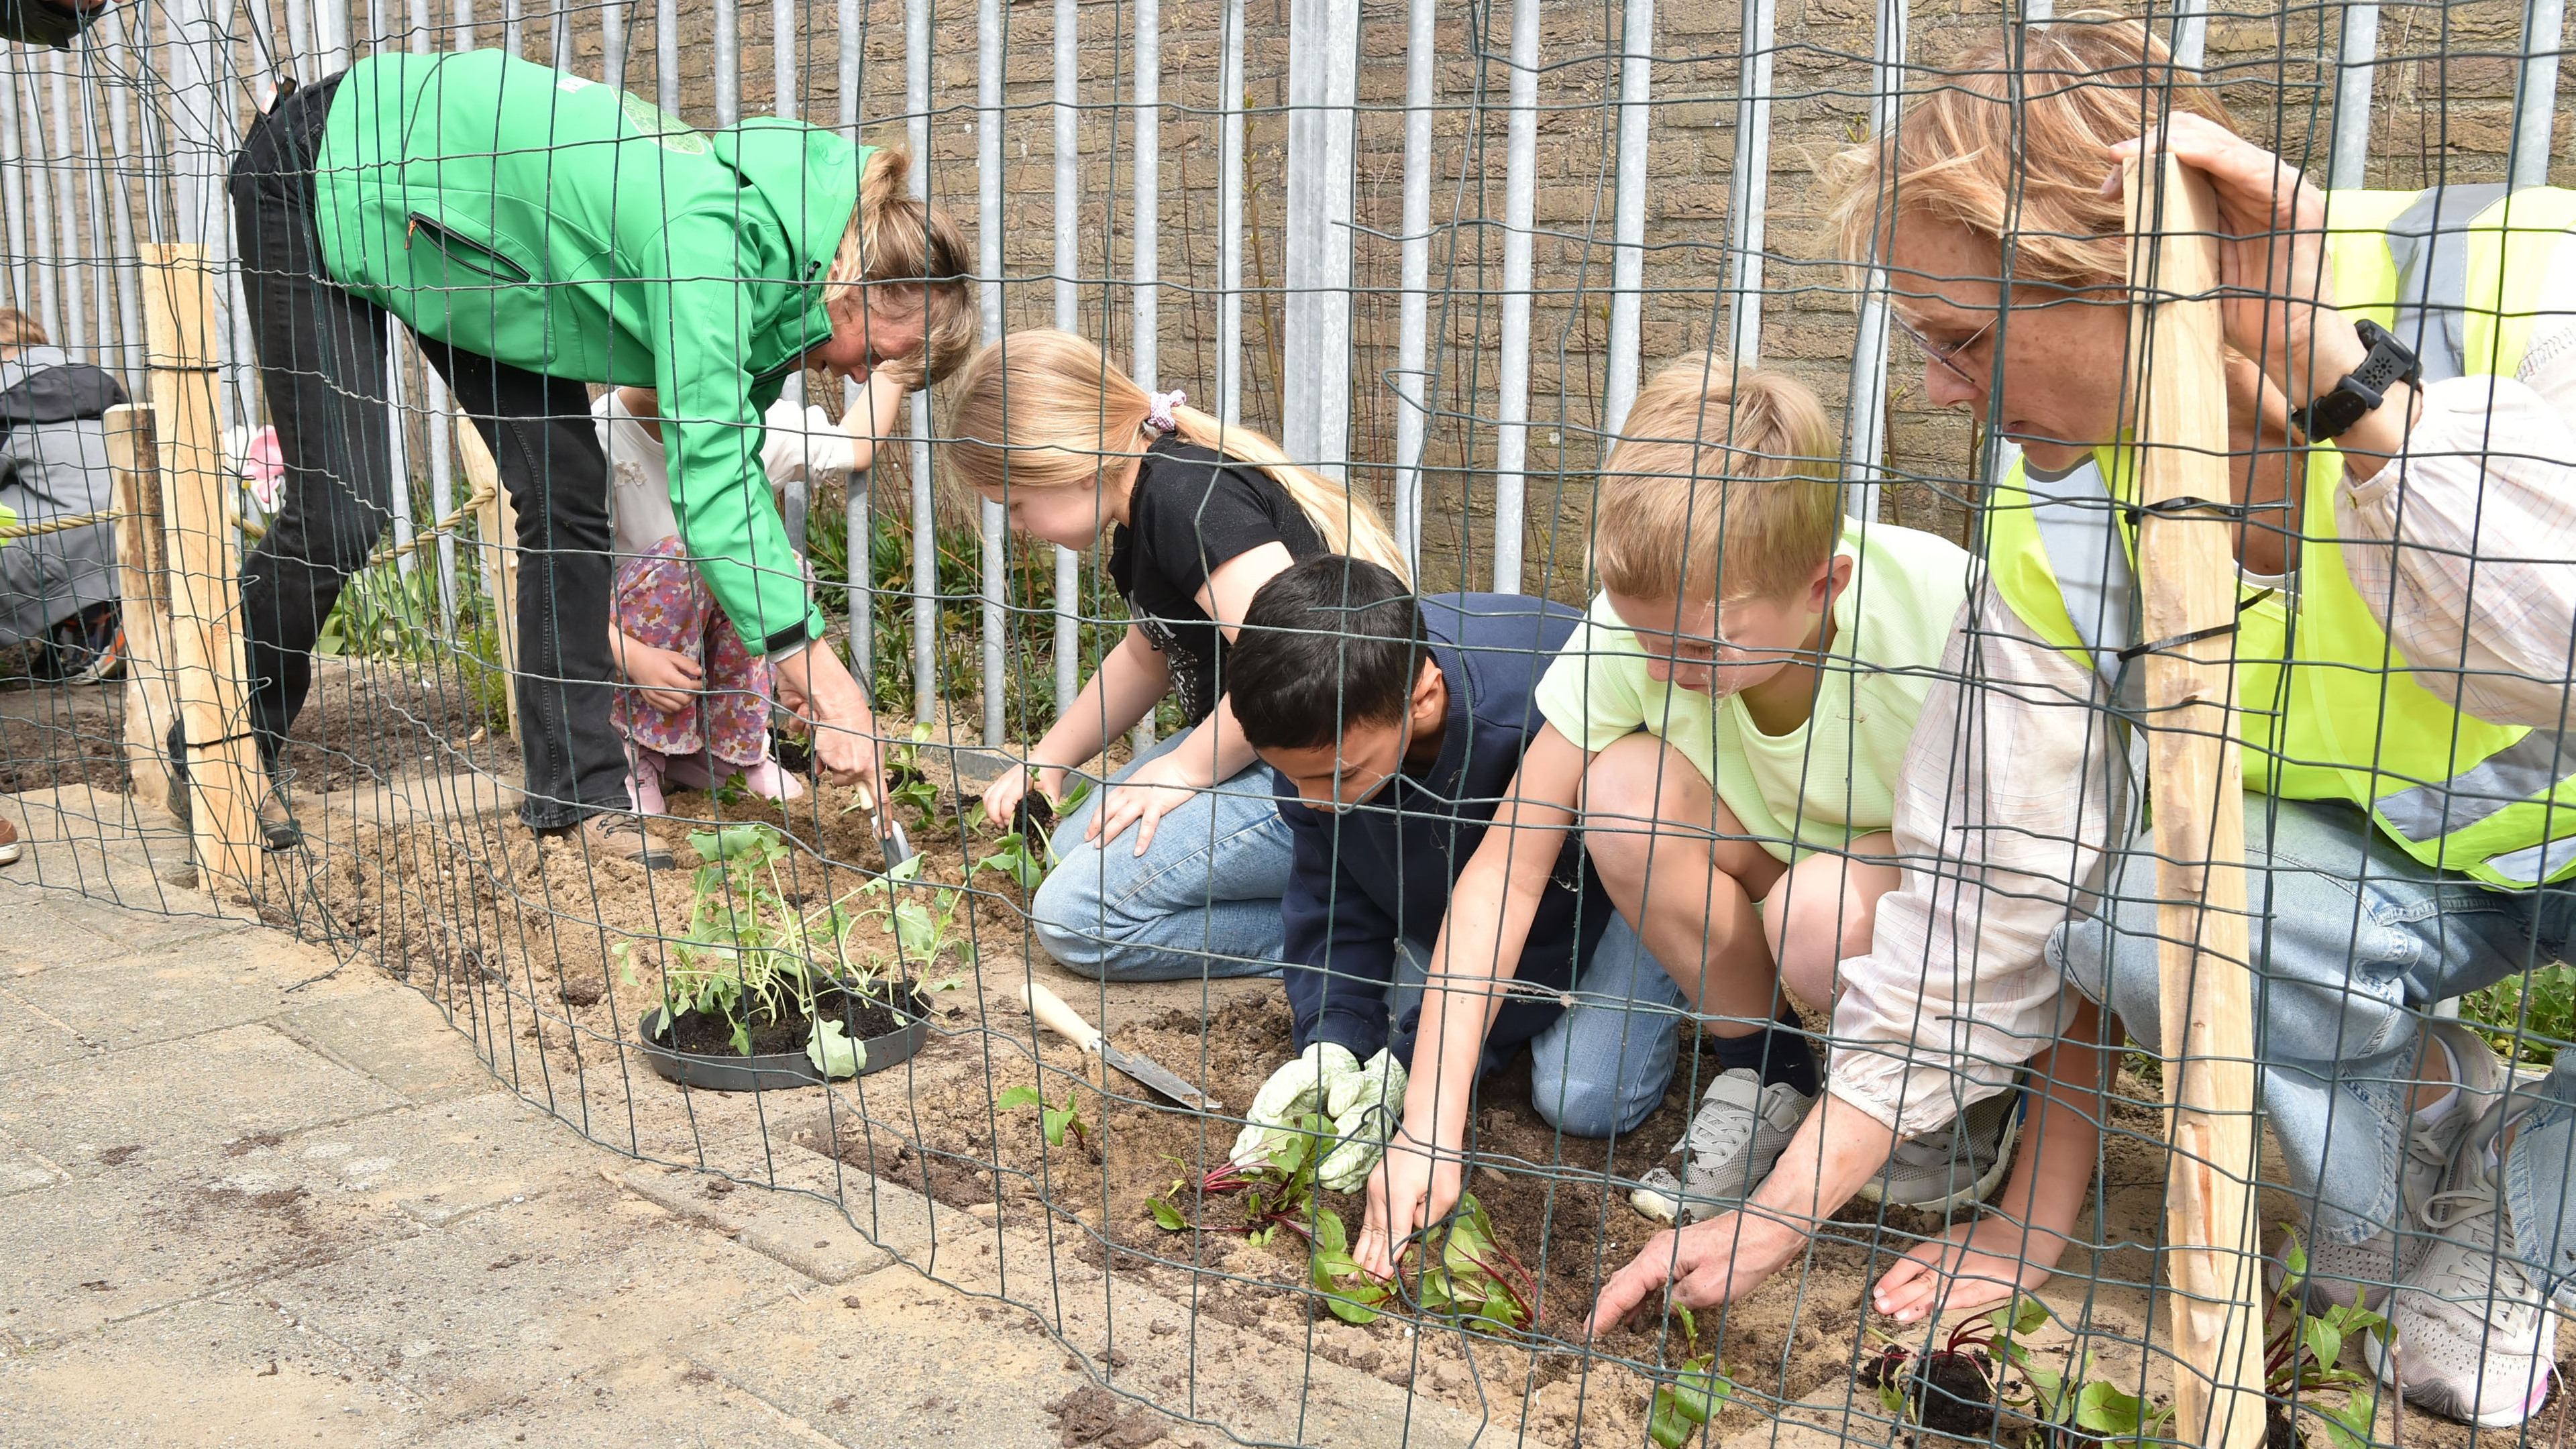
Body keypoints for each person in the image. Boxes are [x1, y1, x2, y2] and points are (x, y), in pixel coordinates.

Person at [1589, 15, 2576, 1432]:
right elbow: (1985, 896)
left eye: (1966, 339)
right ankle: (2415, 1166)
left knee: (2477, 1339)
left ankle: (2526, 1204)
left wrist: (2337, 382)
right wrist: (1781, 1221)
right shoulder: (2054, 496)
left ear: (2130, 284)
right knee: (2130, 923)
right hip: (2413, 880)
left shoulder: (2526, 282)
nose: (1935, 388)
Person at [229, 50, 971, 863]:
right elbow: (711, 468)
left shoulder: (782, 285)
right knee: (345, 505)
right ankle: (232, 744)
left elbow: (740, 465)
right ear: (854, 287)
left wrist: (787, 649)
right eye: (880, 351)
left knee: (567, 485)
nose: (863, 376)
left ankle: (575, 796)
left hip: (481, 248)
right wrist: (817, 667)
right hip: (334, 166)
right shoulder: (713, 241)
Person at [1356, 354, 1994, 1279]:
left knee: (1815, 917)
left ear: (1828, 583)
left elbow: (2038, 861)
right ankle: (1770, 1071)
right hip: (1778, 872)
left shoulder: (1946, 613)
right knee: (1621, 790)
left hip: (1928, 902)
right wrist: (1430, 1122)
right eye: (1643, 634)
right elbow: (1507, 867)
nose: (1660, 669)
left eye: (1696, 645)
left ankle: (1959, 1093)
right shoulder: (1645, 631)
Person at [951, 329, 1410, 981]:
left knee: (1074, 917)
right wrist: (1049, 759)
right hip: (1261, 753)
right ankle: (1339, 902)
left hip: (1330, 775)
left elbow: (1296, 656)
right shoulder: (1147, 508)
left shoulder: (1188, 500)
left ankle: (1359, 942)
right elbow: (1146, 658)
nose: (1018, 527)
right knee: (1072, 845)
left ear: (1071, 465)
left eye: (1018, 506)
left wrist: (1186, 771)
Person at [1223, 556, 1686, 1187]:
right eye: (1294, 776)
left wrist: (1411, 1065)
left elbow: (1541, 922)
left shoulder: (1527, 724)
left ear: (1424, 699)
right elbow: (1330, 888)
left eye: (1337, 778)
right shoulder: (1321, 715)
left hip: (1613, 876)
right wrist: (1333, 1032)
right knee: (1375, 1016)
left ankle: (1677, 972)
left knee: (1583, 1096)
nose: (1310, 800)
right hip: (1467, 877)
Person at [595, 378, 901, 814]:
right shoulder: (598, 437)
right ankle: (628, 749)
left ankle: (722, 750)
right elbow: (557, 588)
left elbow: (854, 444)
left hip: (688, 650)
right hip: (612, 646)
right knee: (689, 554)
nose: (665, 364)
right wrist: (634, 658)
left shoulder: (741, 422)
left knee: (777, 570)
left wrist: (897, 365)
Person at [0, 308, 126, 683]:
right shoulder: (97, 382)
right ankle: (95, 630)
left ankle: (92, 636)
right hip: (138, 532)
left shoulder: (6, 395)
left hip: (64, 545)